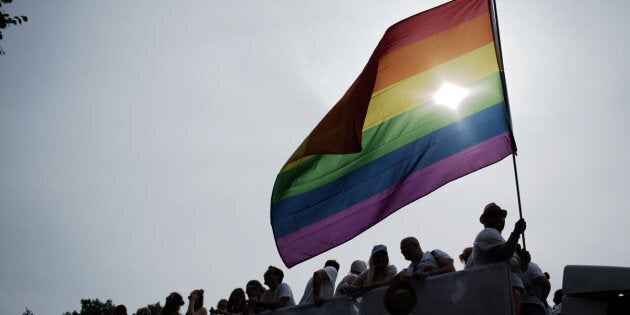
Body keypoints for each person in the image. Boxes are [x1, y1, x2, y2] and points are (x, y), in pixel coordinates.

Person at [465, 202, 528, 315]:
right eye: (494, 215)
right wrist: (516, 232)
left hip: (507, 290)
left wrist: (525, 262)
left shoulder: (500, 239)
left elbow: (519, 268)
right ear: (486, 220)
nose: (499, 218)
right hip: (500, 291)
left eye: (501, 215)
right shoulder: (488, 233)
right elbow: (503, 254)